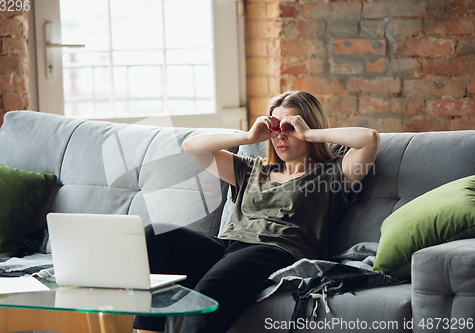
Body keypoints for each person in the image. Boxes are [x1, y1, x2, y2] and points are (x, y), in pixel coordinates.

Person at [134, 90, 380, 333]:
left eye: (289, 128)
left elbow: (369, 139)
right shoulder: (252, 169)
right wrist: (249, 137)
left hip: (277, 250)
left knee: (210, 289)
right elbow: (192, 148)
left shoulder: (332, 173)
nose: (281, 136)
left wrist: (309, 133)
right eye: (275, 129)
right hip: (229, 246)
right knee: (154, 236)